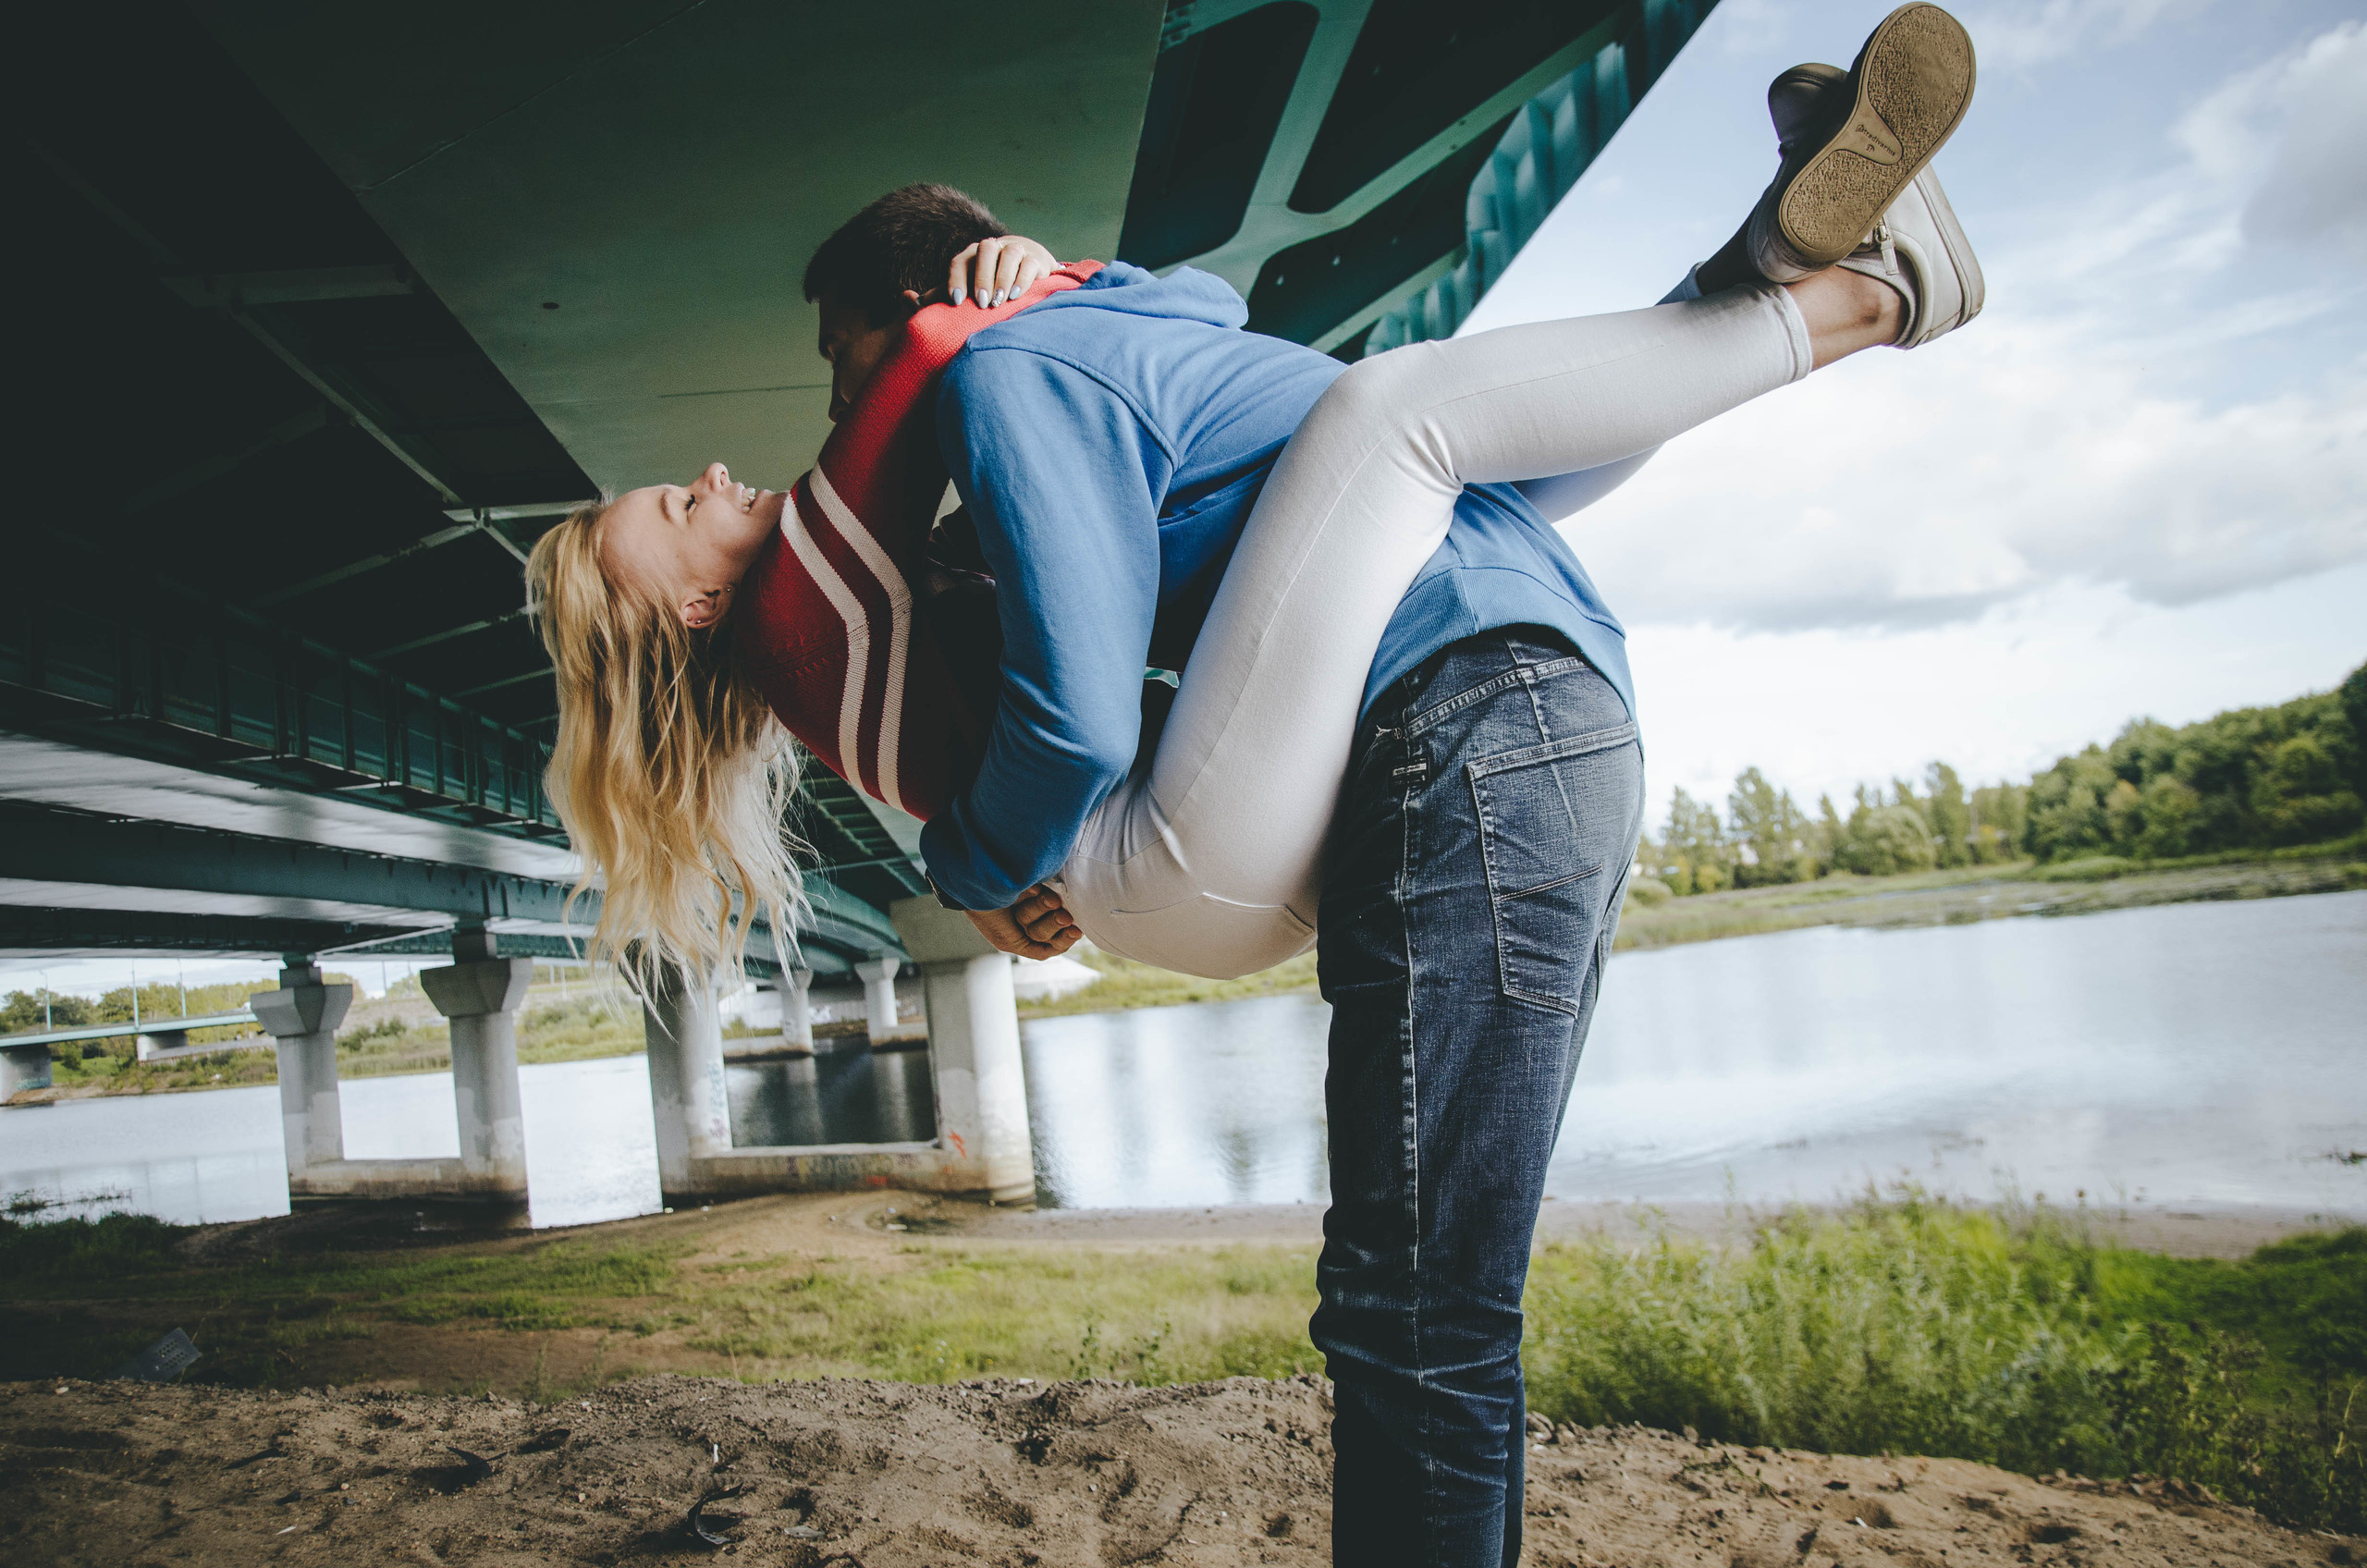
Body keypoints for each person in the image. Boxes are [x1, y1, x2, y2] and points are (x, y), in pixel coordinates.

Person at [529, 7, 1981, 1561]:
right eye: (685, 505)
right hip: (1499, 717)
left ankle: (1840, 290)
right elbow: (1078, 671)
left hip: (1479, 721)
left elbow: (1084, 674)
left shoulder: (1023, 374)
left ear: (909, 311)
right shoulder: (1074, 390)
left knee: (1402, 429)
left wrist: (975, 866)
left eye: (837, 361)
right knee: (1398, 422)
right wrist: (982, 864)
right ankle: (1802, 286)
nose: (790, 435)